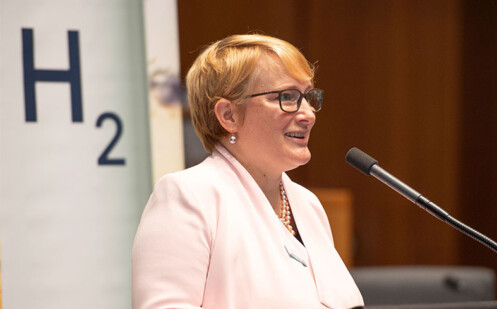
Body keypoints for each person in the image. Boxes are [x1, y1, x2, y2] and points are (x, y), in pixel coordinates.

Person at [132, 34, 364, 309]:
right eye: (287, 97)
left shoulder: (308, 204)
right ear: (229, 115)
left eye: (308, 97)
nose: (308, 114)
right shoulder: (189, 196)